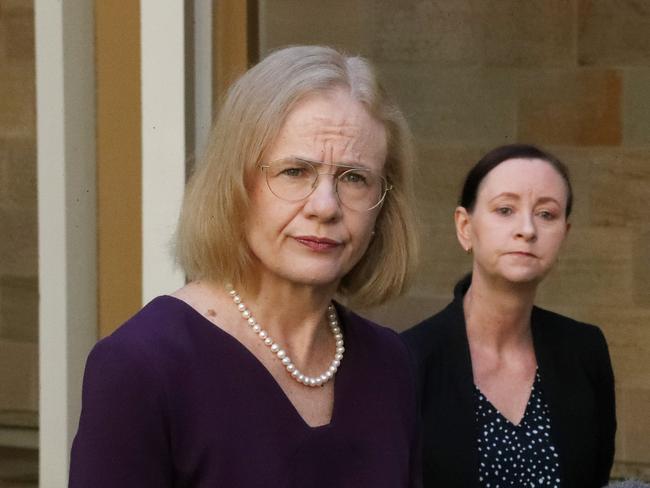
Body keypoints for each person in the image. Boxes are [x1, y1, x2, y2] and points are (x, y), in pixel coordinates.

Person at [69, 45, 421, 487]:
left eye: (354, 178)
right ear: (236, 185)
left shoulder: (390, 364)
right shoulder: (142, 365)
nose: (325, 206)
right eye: (295, 171)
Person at [402, 144, 616, 488]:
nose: (527, 229)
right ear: (465, 227)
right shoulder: (408, 359)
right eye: (505, 209)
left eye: (546, 214)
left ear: (564, 234)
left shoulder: (585, 350)